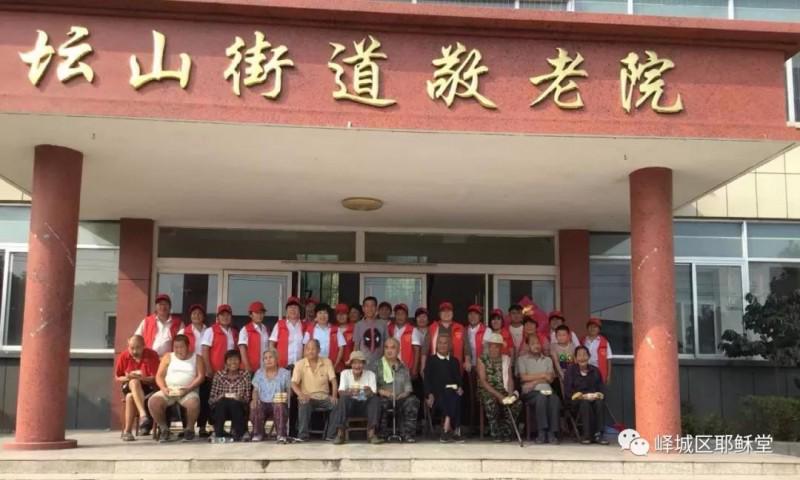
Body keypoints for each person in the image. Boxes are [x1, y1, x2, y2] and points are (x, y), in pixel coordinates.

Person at [147, 334, 205, 442]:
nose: (178, 350)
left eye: (181, 347)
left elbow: (201, 376)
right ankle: (164, 429)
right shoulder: (168, 357)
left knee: (194, 403)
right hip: (169, 389)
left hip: (187, 390)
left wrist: (188, 388)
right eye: (176, 347)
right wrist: (164, 388)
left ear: (188, 346)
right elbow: (159, 376)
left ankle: (189, 429)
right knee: (153, 401)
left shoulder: (197, 358)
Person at [329, 351, 383, 444]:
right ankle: (340, 434)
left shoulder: (371, 374)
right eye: (354, 363)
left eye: (360, 363)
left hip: (365, 407)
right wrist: (351, 393)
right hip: (350, 407)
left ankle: (372, 434)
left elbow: (373, 393)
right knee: (343, 399)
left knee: (375, 399)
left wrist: (367, 392)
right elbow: (341, 392)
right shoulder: (345, 373)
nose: (357, 366)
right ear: (350, 364)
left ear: (364, 364)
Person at [477, 333, 521, 443]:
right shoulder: (482, 359)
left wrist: (510, 394)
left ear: (501, 347)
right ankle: (495, 432)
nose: (494, 349)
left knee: (516, 404)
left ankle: (506, 432)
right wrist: (499, 396)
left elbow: (510, 379)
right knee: (490, 401)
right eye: (491, 346)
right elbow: (483, 382)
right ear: (488, 346)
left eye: (497, 346)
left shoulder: (506, 359)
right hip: (487, 391)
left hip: (503, 390)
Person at [291, 339, 338, 441]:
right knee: (303, 402)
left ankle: (331, 435)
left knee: (337, 404)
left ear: (319, 350)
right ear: (304, 351)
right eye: (307, 349)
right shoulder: (299, 364)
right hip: (308, 397)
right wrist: (301, 394)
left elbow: (333, 381)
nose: (310, 351)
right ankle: (303, 435)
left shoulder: (327, 362)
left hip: (324, 397)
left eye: (313, 348)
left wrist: (334, 396)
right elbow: (293, 383)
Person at [115, 335, 160, 440]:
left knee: (130, 397)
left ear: (144, 346)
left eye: (138, 347)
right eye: (132, 348)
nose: (134, 351)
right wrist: (127, 377)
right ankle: (143, 414)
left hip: (148, 386)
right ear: (128, 346)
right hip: (128, 384)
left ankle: (127, 432)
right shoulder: (124, 355)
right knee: (134, 382)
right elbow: (118, 377)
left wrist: (142, 378)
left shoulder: (152, 355)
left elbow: (155, 377)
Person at [517, 334, 560, 444]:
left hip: (547, 390)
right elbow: (524, 377)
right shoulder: (522, 359)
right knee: (541, 397)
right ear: (527, 346)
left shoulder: (548, 360)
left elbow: (550, 379)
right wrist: (543, 375)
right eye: (533, 343)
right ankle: (542, 432)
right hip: (530, 392)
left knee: (555, 399)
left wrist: (535, 381)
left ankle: (552, 433)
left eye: (538, 343)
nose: (536, 345)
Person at [376, 337, 420, 443]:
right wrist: (384, 392)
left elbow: (408, 388)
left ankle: (407, 434)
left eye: (392, 347)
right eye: (386, 347)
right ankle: (382, 434)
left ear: (398, 350)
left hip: (400, 397)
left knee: (412, 400)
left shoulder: (403, 367)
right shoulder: (378, 365)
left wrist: (403, 394)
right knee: (379, 402)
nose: (389, 350)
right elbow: (373, 386)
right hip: (384, 397)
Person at [564, 346, 608, 445]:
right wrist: (582, 396)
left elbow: (601, 389)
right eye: (579, 355)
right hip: (576, 401)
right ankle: (587, 435)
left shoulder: (595, 370)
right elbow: (568, 391)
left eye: (585, 355)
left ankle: (599, 434)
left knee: (600, 403)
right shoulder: (570, 371)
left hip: (593, 398)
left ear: (589, 357)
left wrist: (597, 395)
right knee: (584, 403)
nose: (582, 358)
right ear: (575, 358)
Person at [424, 334, 463, 443]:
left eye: (445, 343)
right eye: (440, 343)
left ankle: (446, 424)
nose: (442, 345)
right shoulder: (431, 360)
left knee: (456, 394)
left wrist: (460, 387)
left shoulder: (454, 361)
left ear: (450, 345)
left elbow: (458, 379)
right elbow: (426, 379)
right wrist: (429, 394)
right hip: (437, 396)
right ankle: (456, 430)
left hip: (452, 393)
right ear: (436, 345)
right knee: (452, 395)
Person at [178, 304, 210, 437]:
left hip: (204, 369)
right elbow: (177, 351)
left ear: (203, 316)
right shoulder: (183, 332)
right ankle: (186, 427)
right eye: (194, 313)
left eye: (199, 313)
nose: (196, 316)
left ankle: (202, 426)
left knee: (204, 397)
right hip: (188, 369)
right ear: (190, 316)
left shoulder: (209, 331)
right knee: (184, 396)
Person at [209, 350, 251, 442]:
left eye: (236, 360)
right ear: (225, 362)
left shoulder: (245, 375)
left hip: (238, 406)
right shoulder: (219, 375)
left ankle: (238, 432)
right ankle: (218, 432)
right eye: (230, 360)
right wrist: (220, 396)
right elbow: (211, 400)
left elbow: (247, 398)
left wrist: (240, 398)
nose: (233, 362)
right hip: (222, 406)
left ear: (240, 362)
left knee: (234, 403)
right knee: (222, 402)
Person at [250, 349, 291, 443]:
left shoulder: (285, 373)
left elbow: (289, 391)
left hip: (278, 402)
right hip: (263, 402)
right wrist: (254, 399)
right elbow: (255, 390)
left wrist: (283, 398)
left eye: (271, 357)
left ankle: (281, 435)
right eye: (265, 358)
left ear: (276, 359)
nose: (268, 360)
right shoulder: (259, 373)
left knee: (279, 405)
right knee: (256, 405)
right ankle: (258, 433)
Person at [303, 303, 346, 369]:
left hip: (331, 366)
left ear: (329, 315)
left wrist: (334, 366)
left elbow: (341, 349)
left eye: (325, 313)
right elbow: (305, 347)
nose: (322, 316)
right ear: (316, 315)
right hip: (313, 367)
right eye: (320, 313)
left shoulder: (336, 330)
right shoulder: (310, 329)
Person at [426, 301, 466, 368]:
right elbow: (425, 349)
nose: (446, 313)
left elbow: (466, 347)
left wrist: (467, 361)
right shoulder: (432, 328)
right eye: (443, 311)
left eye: (449, 311)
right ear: (439, 314)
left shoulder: (460, 328)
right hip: (436, 365)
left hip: (456, 366)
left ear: (452, 313)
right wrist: (423, 366)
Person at [201, 304, 238, 377]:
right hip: (215, 372)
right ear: (217, 317)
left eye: (228, 315)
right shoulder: (210, 330)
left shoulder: (234, 332)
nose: (225, 317)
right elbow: (205, 351)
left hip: (230, 372)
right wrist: (208, 368)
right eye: (222, 315)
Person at [270, 296, 306, 369]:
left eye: (295, 307)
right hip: (281, 366)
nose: (293, 310)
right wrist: (275, 360)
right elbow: (271, 345)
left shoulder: (304, 325)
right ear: (286, 310)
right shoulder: (279, 324)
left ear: (299, 310)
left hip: (299, 366)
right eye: (290, 307)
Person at [353, 296, 388, 368]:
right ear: (363, 308)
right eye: (367, 306)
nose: (370, 309)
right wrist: (355, 362)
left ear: (376, 308)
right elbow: (356, 345)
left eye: (372, 306)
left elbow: (387, 343)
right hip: (364, 363)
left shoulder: (383, 324)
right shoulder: (358, 325)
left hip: (380, 363)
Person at [388, 303, 420, 375]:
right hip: (391, 367)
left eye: (402, 314)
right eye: (398, 314)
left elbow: (417, 351)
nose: (400, 316)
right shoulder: (390, 329)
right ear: (395, 316)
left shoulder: (413, 330)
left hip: (407, 368)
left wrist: (414, 369)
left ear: (407, 316)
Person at [238, 301, 270, 373]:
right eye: (257, 313)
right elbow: (242, 350)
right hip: (249, 369)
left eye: (261, 313)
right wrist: (247, 366)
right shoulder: (245, 329)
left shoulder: (266, 329)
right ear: (251, 315)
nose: (259, 315)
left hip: (264, 368)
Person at [582, 317, 613, 384]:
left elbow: (609, 359)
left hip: (599, 372)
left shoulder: (605, 342)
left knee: (598, 392)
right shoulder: (582, 341)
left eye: (595, 327)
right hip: (584, 371)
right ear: (587, 328)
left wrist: (608, 376)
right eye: (590, 326)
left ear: (599, 329)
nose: (592, 329)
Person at [464, 304, 486, 372]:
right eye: (470, 314)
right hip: (466, 367)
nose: (473, 316)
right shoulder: (463, 330)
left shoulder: (487, 331)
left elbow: (487, 352)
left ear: (480, 317)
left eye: (476, 314)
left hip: (481, 368)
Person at [335, 303, 355, 373]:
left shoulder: (354, 328)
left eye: (344, 314)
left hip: (351, 365)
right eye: (339, 314)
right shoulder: (332, 329)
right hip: (335, 366)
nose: (341, 316)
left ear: (348, 315)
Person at [412, 307, 430, 378]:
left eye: (424, 317)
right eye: (419, 317)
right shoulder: (411, 332)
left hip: (430, 367)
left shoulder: (433, 331)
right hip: (414, 367)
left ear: (428, 319)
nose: (421, 319)